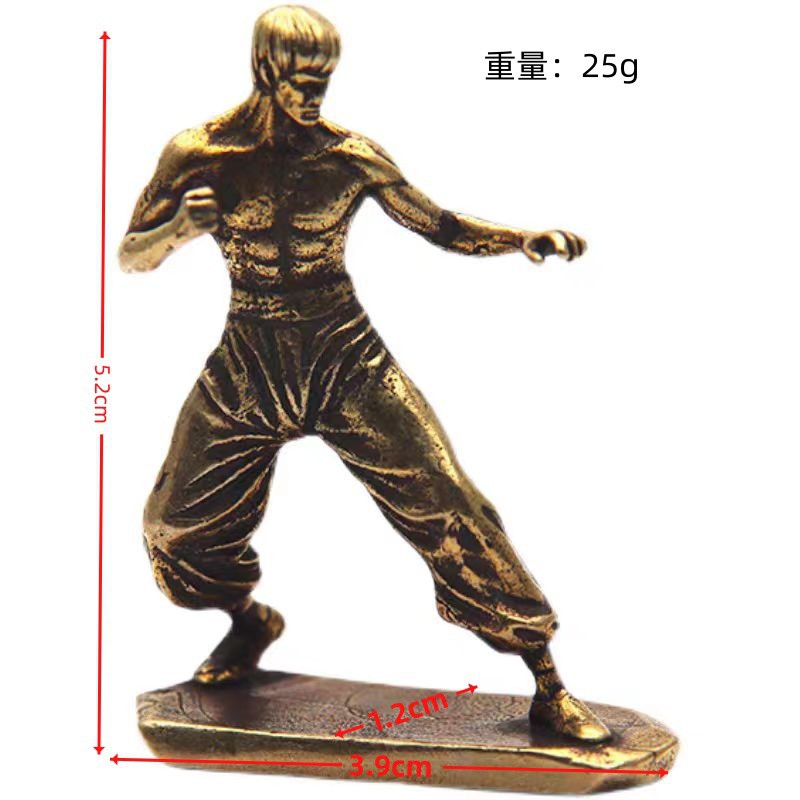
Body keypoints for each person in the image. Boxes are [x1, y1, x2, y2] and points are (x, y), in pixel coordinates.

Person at [119, 5, 609, 742]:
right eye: (300, 78)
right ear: (265, 70)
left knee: (450, 503)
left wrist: (520, 238)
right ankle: (249, 622)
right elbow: (132, 254)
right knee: (173, 531)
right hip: (251, 359)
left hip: (344, 355)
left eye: (324, 78)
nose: (314, 93)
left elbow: (440, 225)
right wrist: (179, 229)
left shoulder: (350, 157)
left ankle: (548, 680)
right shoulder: (201, 153)